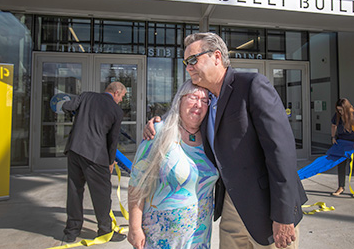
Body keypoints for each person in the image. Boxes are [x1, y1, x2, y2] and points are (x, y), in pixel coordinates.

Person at [144, 32, 308, 249]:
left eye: (193, 60)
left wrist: (284, 215)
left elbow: (281, 151)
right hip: (231, 208)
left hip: (268, 208)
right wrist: (159, 124)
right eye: (185, 62)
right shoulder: (205, 99)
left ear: (217, 57)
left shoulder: (251, 85)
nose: (188, 67)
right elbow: (185, 121)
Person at [128, 80, 219, 249]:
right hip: (160, 239)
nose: (198, 104)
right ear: (180, 100)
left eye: (205, 100)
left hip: (198, 239)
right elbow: (137, 183)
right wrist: (134, 227)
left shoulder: (210, 137)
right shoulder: (159, 132)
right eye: (193, 97)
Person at [62, 81, 127, 243]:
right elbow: (113, 141)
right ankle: (105, 230)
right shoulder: (116, 111)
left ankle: (71, 231)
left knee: (74, 190)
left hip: (75, 150)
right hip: (96, 156)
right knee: (102, 194)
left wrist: (77, 115)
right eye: (122, 97)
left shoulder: (86, 96)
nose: (121, 101)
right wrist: (111, 162)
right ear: (116, 93)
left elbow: (66, 107)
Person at [330, 98, 354, 196]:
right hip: (341, 142)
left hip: (352, 143)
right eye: (338, 110)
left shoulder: (353, 115)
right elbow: (333, 125)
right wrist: (333, 137)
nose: (340, 112)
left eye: (341, 110)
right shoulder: (337, 115)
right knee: (341, 166)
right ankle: (341, 187)